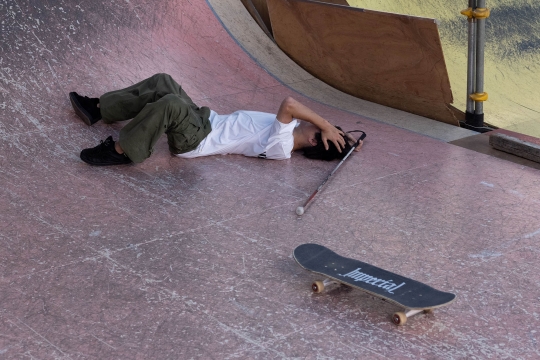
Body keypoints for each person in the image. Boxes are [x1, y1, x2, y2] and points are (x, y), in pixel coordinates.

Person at [70, 73, 363, 166]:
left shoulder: (282, 146)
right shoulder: (288, 132)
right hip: (204, 119)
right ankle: (100, 109)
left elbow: (289, 104)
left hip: (197, 138)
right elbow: (293, 111)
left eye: (318, 126)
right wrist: (347, 142)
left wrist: (326, 125)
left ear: (314, 138)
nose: (314, 121)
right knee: (163, 83)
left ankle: (123, 151)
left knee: (170, 104)